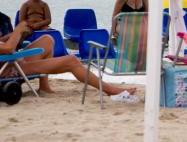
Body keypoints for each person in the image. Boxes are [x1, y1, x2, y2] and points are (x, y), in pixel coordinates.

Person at [1, 22, 136, 97]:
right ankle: (110, 90)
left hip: (12, 61)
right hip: (8, 70)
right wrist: (18, 30)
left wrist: (16, 35)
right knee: (71, 61)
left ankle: (44, 87)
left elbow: (4, 45)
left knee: (47, 40)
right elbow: (7, 49)